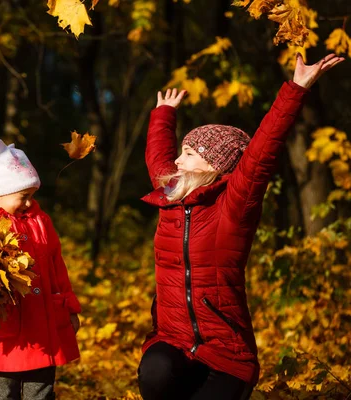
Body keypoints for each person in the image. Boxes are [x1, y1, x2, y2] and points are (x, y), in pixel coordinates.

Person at [137, 53, 344, 400]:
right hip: (172, 341)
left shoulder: (234, 204)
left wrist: (296, 88)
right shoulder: (170, 197)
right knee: (154, 372)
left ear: (212, 165)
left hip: (226, 353)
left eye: (188, 153)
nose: (177, 159)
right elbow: (157, 155)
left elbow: (262, 152)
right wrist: (163, 114)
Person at [0, 139, 81, 400]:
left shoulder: (41, 221)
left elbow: (57, 267)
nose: (29, 203)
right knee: (2, 390)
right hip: (3, 327)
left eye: (32, 196)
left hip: (43, 322)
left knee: (40, 389)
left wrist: (70, 307)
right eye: (23, 197)